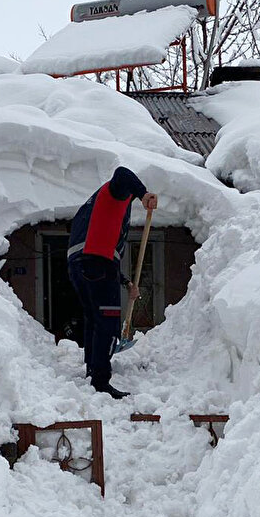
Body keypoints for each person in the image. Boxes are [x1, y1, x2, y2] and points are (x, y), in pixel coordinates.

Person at [68, 167, 158, 399]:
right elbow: (121, 172)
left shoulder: (93, 209)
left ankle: (92, 369)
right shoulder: (116, 192)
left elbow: (99, 246)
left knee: (95, 320)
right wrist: (143, 193)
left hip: (81, 266)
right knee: (108, 325)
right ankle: (101, 381)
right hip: (97, 264)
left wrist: (126, 281)